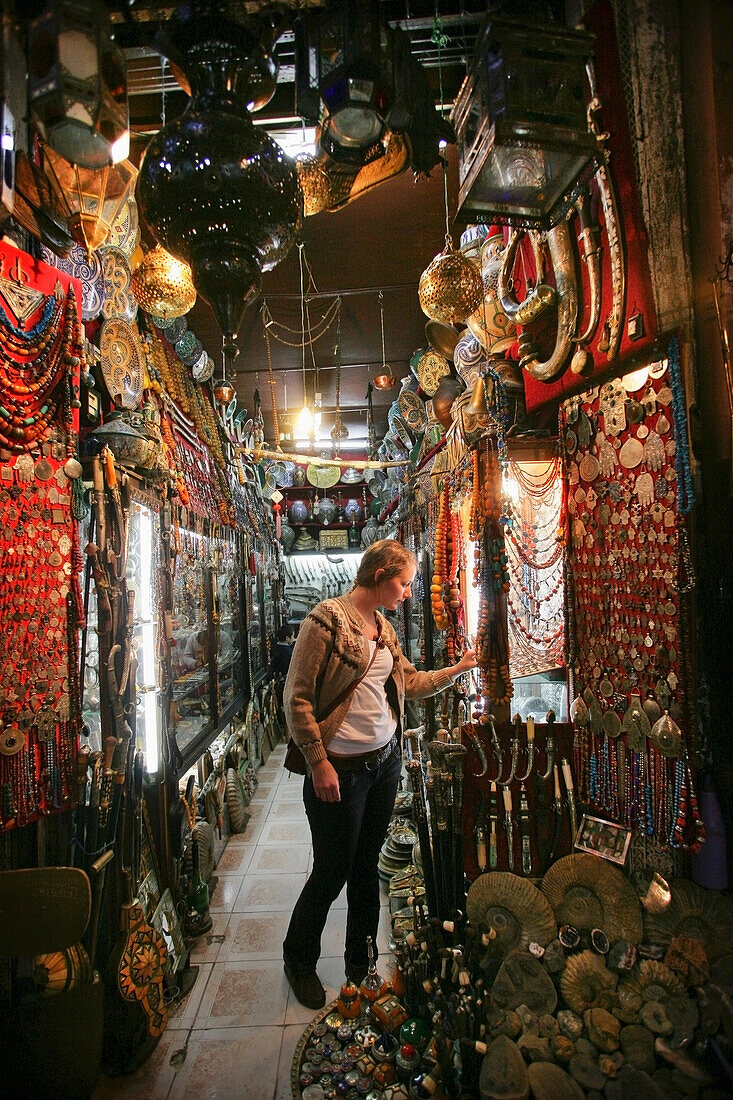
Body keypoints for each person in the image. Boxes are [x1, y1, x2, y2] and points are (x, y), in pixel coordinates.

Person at [282, 539, 477, 1010]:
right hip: (340, 772)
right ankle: (298, 960)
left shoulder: (384, 629)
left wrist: (458, 669)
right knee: (331, 872)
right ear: (381, 574)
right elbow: (297, 700)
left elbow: (409, 682)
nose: (409, 591)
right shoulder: (326, 621)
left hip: (383, 764)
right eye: (405, 582)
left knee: (366, 869)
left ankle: (360, 961)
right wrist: (318, 761)